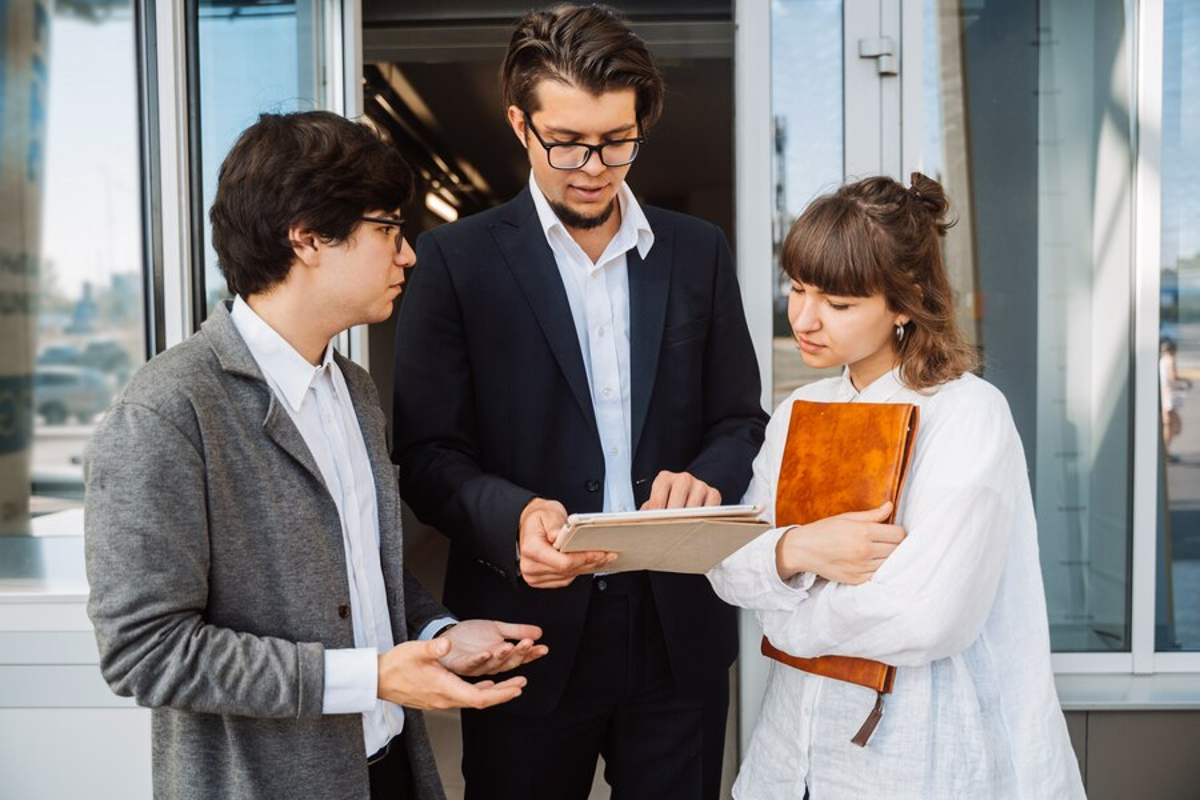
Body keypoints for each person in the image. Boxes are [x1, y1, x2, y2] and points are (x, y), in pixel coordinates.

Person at [84, 111, 549, 800]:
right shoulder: (168, 410)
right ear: (308, 238)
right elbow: (145, 653)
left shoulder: (353, 389)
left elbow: (361, 573)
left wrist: (440, 633)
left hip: (390, 767)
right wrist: (373, 676)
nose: (408, 253)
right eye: (388, 227)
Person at [391, 5, 779, 797]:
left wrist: (706, 476)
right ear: (519, 125)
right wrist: (510, 518)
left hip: (679, 634)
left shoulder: (697, 251)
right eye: (565, 141)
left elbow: (740, 419)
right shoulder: (454, 261)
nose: (593, 165)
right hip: (522, 632)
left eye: (616, 140)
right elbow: (427, 456)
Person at [707, 173, 1086, 799]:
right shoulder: (800, 410)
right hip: (788, 751)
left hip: (920, 754)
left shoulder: (967, 413)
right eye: (797, 288)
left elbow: (926, 615)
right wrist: (799, 549)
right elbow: (727, 564)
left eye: (839, 303)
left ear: (905, 302)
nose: (804, 317)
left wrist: (787, 623)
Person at [1160, 336, 1191, 457]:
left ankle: (1165, 450)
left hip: (1164, 393)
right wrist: (1185, 382)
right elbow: (1173, 377)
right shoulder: (1170, 360)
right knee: (1172, 424)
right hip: (1168, 394)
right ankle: (1165, 450)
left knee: (1170, 422)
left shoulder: (1162, 360)